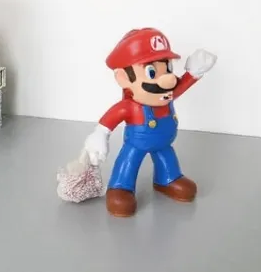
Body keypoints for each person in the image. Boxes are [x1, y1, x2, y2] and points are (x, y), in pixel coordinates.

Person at [83, 27, 217, 217]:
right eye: (152, 72)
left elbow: (181, 86)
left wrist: (194, 72)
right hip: (137, 144)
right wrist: (100, 133)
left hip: (164, 143)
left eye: (168, 68)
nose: (169, 79)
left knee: (167, 157)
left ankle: (168, 178)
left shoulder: (167, 95)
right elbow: (112, 116)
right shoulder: (130, 106)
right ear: (123, 78)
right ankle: (120, 186)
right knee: (129, 161)